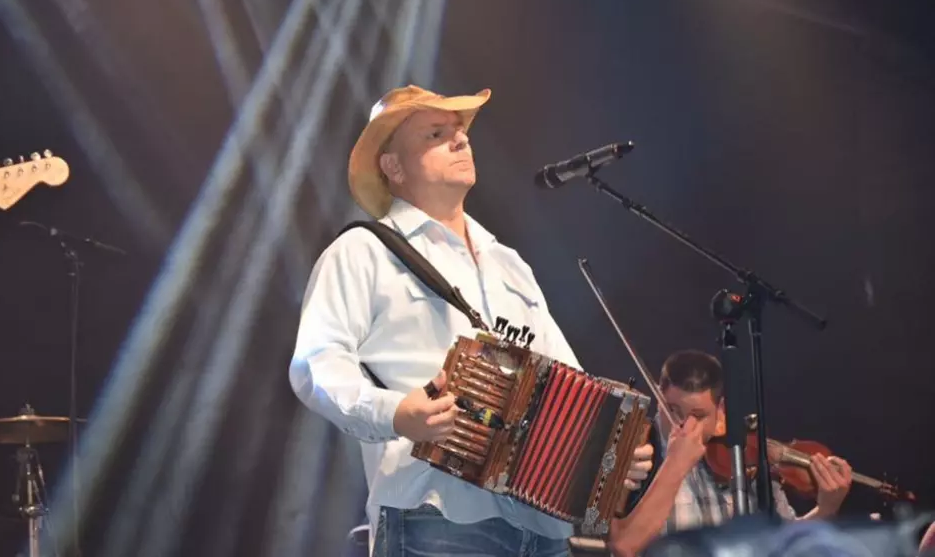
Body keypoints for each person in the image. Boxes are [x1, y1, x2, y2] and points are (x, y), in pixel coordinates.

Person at [289, 85, 703, 557]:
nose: (461, 139)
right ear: (393, 166)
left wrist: (614, 450)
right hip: (436, 514)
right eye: (436, 133)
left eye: (460, 131)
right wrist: (397, 414)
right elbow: (315, 365)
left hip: (544, 526)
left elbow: (572, 382)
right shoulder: (362, 251)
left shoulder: (509, 264)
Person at [650, 350, 854, 532]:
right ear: (659, 397)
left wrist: (827, 509)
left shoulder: (744, 455)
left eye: (699, 416)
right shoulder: (640, 452)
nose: (685, 427)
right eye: (673, 411)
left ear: (720, 409)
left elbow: (784, 544)